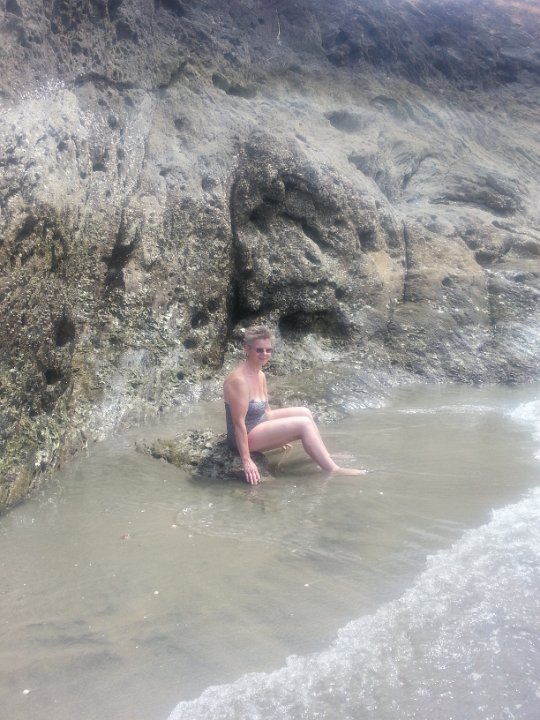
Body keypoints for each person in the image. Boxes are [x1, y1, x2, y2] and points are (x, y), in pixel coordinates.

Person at [223, 325, 366, 485]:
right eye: (259, 350)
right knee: (303, 424)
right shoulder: (239, 381)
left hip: (259, 423)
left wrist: (279, 434)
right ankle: (332, 469)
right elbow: (238, 424)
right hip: (244, 437)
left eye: (268, 350)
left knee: (305, 412)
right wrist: (246, 460)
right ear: (247, 349)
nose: (265, 354)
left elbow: (265, 409)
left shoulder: (260, 374)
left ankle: (324, 455)